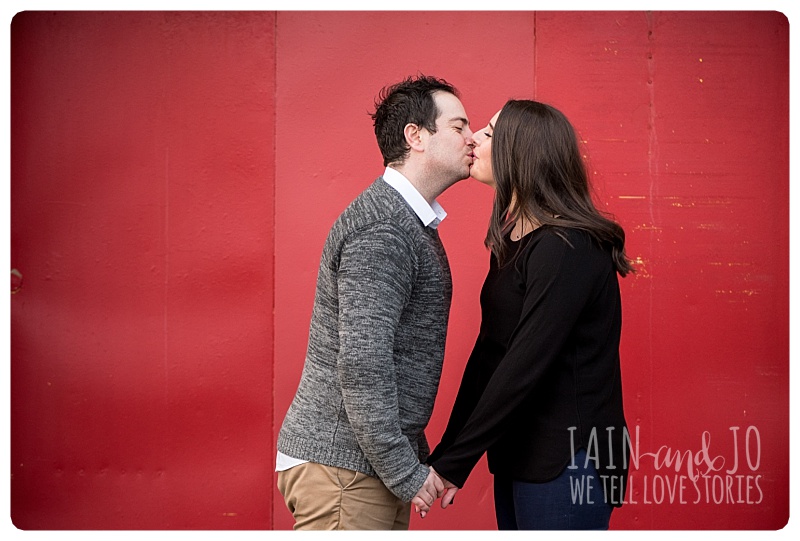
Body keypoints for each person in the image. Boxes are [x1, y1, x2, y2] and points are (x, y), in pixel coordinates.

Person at [276, 75, 475, 530]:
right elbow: (364, 364)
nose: (472, 138)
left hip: (360, 468)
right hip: (344, 471)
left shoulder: (405, 222)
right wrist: (405, 470)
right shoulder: (384, 230)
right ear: (415, 136)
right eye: (459, 126)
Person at [426, 99, 632, 530]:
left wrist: (455, 462)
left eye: (489, 131)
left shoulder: (567, 248)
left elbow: (522, 365)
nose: (475, 139)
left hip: (571, 459)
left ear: (523, 151)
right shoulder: (515, 241)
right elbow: (490, 357)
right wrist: (446, 456)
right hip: (523, 454)